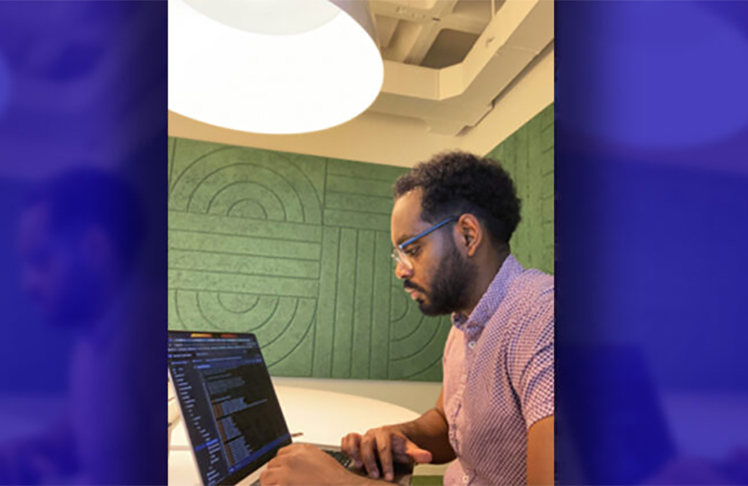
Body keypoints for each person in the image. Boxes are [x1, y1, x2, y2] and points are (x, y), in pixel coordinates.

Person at [260, 151, 554, 486]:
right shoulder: (464, 325)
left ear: (468, 235)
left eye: (412, 250)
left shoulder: (544, 320)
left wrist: (339, 482)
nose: (401, 270)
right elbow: (446, 422)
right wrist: (400, 435)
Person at [0, 168, 164, 484]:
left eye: (41, 260)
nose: (28, 284)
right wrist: (29, 452)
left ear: (95, 249)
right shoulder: (95, 332)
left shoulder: (152, 336)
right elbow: (85, 433)